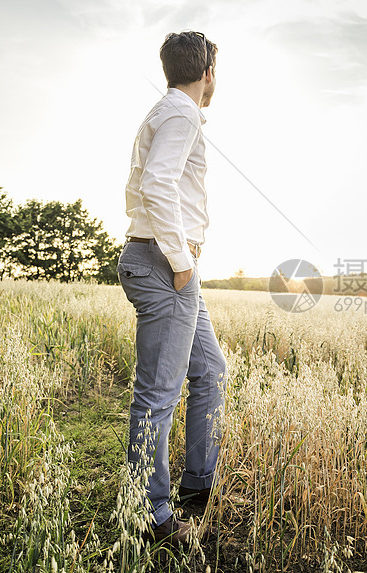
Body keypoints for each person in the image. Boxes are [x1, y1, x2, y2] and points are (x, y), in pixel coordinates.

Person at [117, 30, 227, 544]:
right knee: (158, 395)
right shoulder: (181, 113)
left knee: (210, 370)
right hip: (165, 266)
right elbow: (157, 183)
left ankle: (195, 490)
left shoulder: (167, 111)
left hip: (168, 264)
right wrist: (182, 263)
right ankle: (150, 516)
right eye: (216, 71)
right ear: (207, 73)